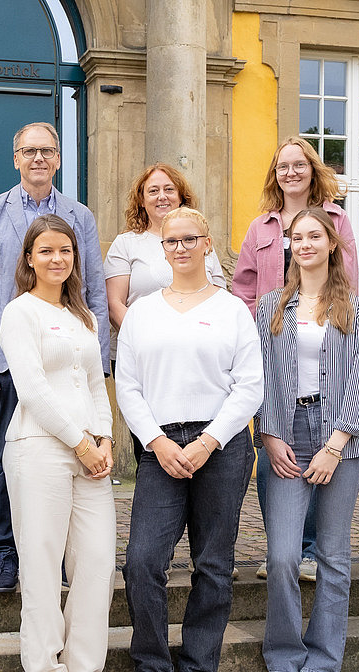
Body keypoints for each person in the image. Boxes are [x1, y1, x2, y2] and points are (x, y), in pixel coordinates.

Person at [116, 207, 262, 672]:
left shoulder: (231, 310)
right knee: (142, 561)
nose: (179, 248)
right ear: (163, 249)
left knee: (213, 563)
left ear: (207, 244)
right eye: (170, 241)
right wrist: (157, 442)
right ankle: (153, 666)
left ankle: (199, 668)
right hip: (160, 447)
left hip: (219, 447)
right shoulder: (143, 311)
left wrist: (209, 441)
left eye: (188, 239)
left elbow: (250, 387)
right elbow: (129, 387)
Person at [0, 121, 109, 594]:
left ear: (59, 158)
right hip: (12, 362)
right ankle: (7, 554)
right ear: (16, 158)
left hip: (69, 359)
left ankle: (63, 554)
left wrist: (98, 359)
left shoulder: (79, 216)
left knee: (72, 451)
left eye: (47, 151)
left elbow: (94, 292)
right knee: (12, 458)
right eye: (29, 151)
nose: (38, 159)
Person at [0, 214, 118, 672]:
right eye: (46, 250)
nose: (57, 259)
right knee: (43, 566)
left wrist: (106, 436)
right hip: (39, 448)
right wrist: (79, 441)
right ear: (29, 258)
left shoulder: (84, 316)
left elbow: (95, 383)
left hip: (91, 453)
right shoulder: (18, 313)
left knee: (96, 563)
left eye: (65, 251)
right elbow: (32, 388)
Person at [256, 208, 359, 672]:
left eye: (313, 236)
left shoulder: (356, 310)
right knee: (283, 556)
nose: (304, 244)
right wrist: (269, 435)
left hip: (338, 440)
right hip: (284, 437)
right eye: (296, 237)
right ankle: (283, 658)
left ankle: (323, 664)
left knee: (332, 555)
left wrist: (336, 445)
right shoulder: (269, 308)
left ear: (331, 244)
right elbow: (255, 375)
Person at [232, 136, 359, 582]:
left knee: (321, 456)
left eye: (299, 164)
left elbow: (349, 283)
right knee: (275, 455)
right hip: (272, 347)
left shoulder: (338, 220)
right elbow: (243, 287)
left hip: (323, 344)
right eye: (282, 166)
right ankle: (282, 549)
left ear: (312, 169)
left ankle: (308, 551)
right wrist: (258, 330)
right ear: (275, 174)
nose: (291, 172)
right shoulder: (259, 228)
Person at [104, 163, 227, 462]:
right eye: (153, 191)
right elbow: (114, 304)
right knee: (151, 443)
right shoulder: (127, 244)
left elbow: (221, 299)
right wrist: (145, 340)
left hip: (199, 359)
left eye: (169, 189)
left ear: (181, 196)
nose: (162, 196)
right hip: (144, 358)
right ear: (141, 200)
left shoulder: (198, 240)